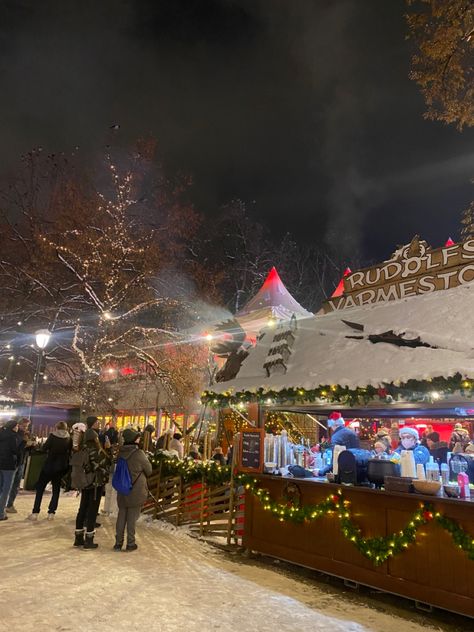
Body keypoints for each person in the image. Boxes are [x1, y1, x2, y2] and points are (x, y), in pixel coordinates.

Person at [73, 416, 111, 549]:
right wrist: (108, 449)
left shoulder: (81, 446)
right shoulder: (94, 449)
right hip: (95, 482)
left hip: (84, 480)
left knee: (83, 506)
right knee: (92, 509)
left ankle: (78, 537)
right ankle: (89, 539)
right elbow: (105, 463)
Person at [114, 428, 152, 552]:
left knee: (121, 515)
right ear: (134, 439)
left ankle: (118, 543)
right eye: (137, 437)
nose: (139, 439)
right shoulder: (139, 454)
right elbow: (149, 470)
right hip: (135, 490)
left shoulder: (120, 452)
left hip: (122, 489)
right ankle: (130, 543)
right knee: (131, 518)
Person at [28, 421, 72, 520]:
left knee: (40, 488)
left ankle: (35, 512)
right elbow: (69, 452)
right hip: (61, 467)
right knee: (56, 490)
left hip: (49, 466)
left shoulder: (52, 436)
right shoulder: (69, 438)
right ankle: (51, 513)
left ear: (57, 427)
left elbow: (44, 448)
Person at [6, 417, 33, 514]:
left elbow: (24, 449)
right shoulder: (14, 434)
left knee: (16, 485)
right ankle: (4, 504)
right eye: (24, 426)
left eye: (27, 426)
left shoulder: (26, 434)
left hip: (21, 462)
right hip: (14, 463)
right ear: (19, 425)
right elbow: (16, 449)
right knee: (7, 485)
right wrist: (25, 443)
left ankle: (10, 504)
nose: (26, 428)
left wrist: (30, 446)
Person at [0, 420, 20, 521]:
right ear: (13, 427)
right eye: (17, 426)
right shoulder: (13, 436)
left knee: (0, 488)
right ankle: (0, 514)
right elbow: (15, 450)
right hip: (9, 465)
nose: (18, 428)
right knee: (6, 490)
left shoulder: (1, 433)